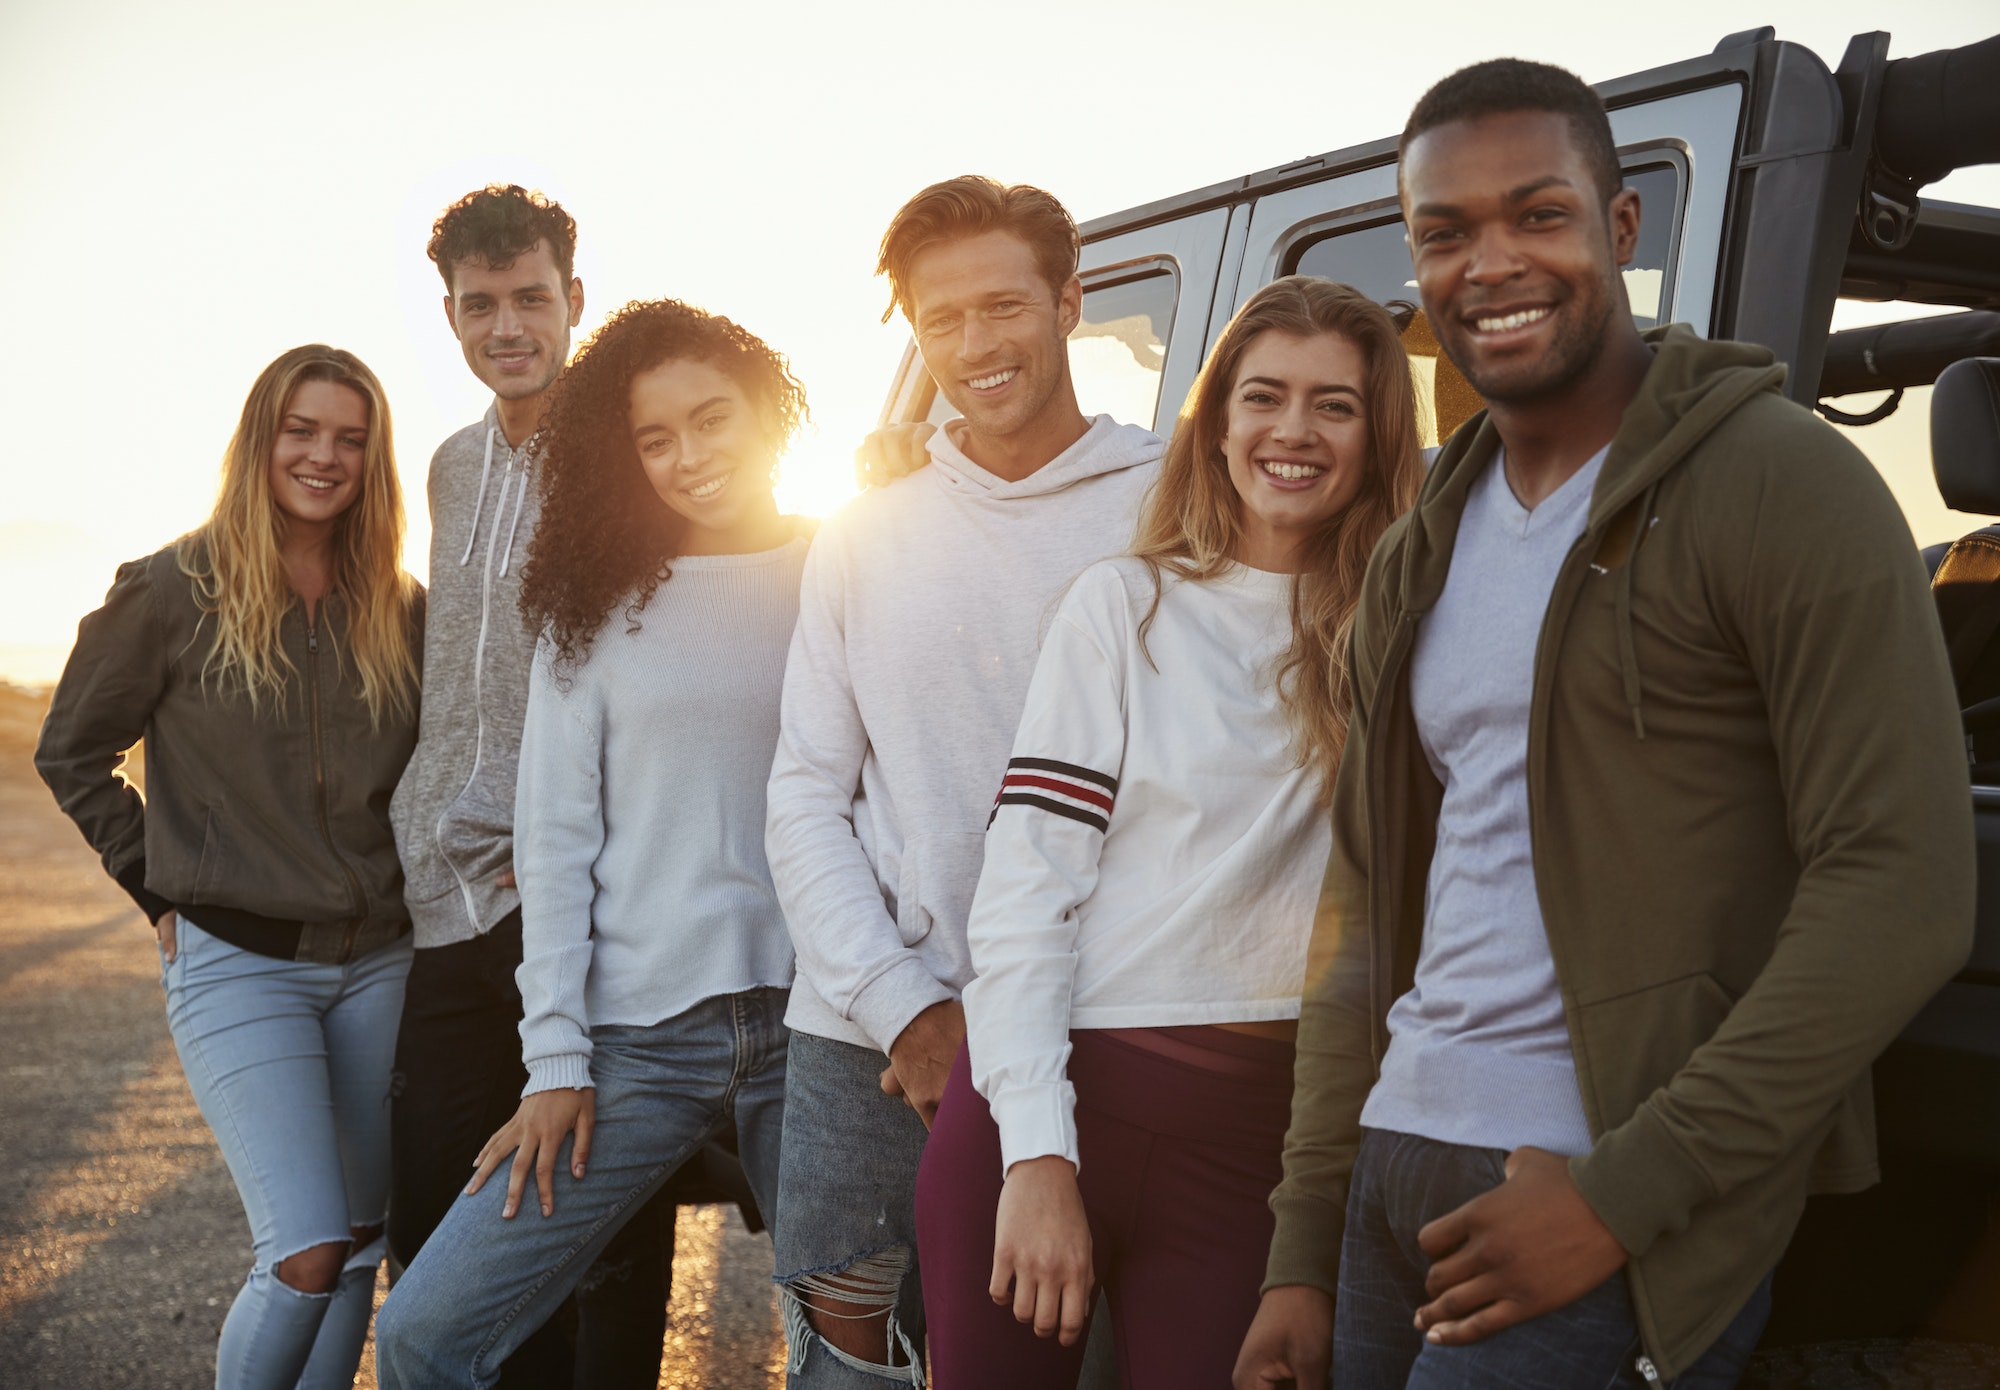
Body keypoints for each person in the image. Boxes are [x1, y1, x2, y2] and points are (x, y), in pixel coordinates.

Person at [1233, 59, 1975, 1390]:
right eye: (1446, 233)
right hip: (1393, 1169)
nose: (1492, 262)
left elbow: (1903, 884)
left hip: (1593, 1192)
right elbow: (1362, 904)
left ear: (1621, 228)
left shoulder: (1783, 484)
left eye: (1539, 214)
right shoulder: (1423, 542)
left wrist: (1620, 1194)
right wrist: (1301, 1244)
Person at [914, 277, 1423, 1388]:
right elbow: (1024, 893)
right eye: (1263, 397)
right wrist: (1038, 1156)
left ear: (1377, 435)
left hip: (1254, 1138)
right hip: (1055, 1096)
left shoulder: (1407, 635)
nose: (1292, 430)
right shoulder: (1122, 607)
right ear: (1218, 423)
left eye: (1333, 406)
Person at [764, 174, 1166, 1385]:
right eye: (942, 322)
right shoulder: (863, 528)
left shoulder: (1171, 503)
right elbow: (802, 797)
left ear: (1070, 301)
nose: (976, 346)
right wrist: (907, 1008)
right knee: (850, 1368)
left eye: (1003, 306)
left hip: (1105, 1022)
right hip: (866, 1032)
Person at [373, 297, 807, 1388]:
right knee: (425, 1333)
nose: (686, 457)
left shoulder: (847, 571)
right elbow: (554, 846)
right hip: (638, 1046)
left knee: (863, 1346)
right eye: (653, 439)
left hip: (822, 1030)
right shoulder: (590, 607)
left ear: (767, 409)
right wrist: (557, 1059)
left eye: (710, 419)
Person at [36, 345, 423, 1389]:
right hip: (237, 962)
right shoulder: (170, 588)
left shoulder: (400, 606)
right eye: (302, 430)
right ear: (261, 438)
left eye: (349, 438)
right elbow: (70, 749)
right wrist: (154, 882)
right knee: (300, 1256)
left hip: (382, 962)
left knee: (354, 1246)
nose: (323, 455)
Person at [385, 184, 676, 1387]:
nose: (507, 325)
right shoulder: (452, 464)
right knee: (436, 1226)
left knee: (592, 1236)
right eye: (479, 304)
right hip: (441, 898)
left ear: (575, 301)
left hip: (571, 903)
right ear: (451, 314)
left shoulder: (628, 460)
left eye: (530, 298)